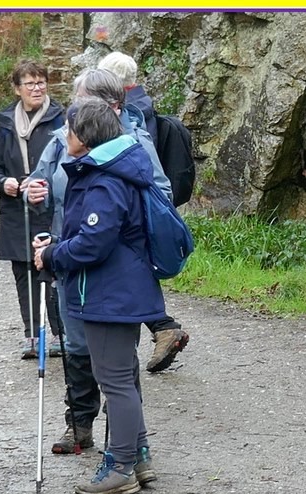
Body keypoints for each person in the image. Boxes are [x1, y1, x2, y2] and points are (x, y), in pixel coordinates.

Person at [27, 67, 174, 457]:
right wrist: (37, 197)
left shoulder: (114, 169)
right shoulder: (79, 155)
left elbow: (99, 237)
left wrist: (55, 252)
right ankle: (91, 431)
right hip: (83, 271)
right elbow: (49, 191)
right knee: (91, 356)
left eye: (75, 116)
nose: (64, 130)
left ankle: (123, 458)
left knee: (116, 376)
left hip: (102, 280)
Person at [97, 50, 191, 373]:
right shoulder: (141, 105)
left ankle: (161, 329)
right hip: (145, 206)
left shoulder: (130, 115)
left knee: (132, 272)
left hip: (134, 209)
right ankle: (163, 328)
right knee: (137, 271)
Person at [0, 60, 66, 359]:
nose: (37, 88)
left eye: (41, 82)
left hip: (49, 208)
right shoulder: (5, 124)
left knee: (54, 268)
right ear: (17, 89)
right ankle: (32, 335)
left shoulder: (61, 119)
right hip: (16, 210)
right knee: (24, 273)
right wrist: (4, 183)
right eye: (30, 83)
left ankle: (60, 333)